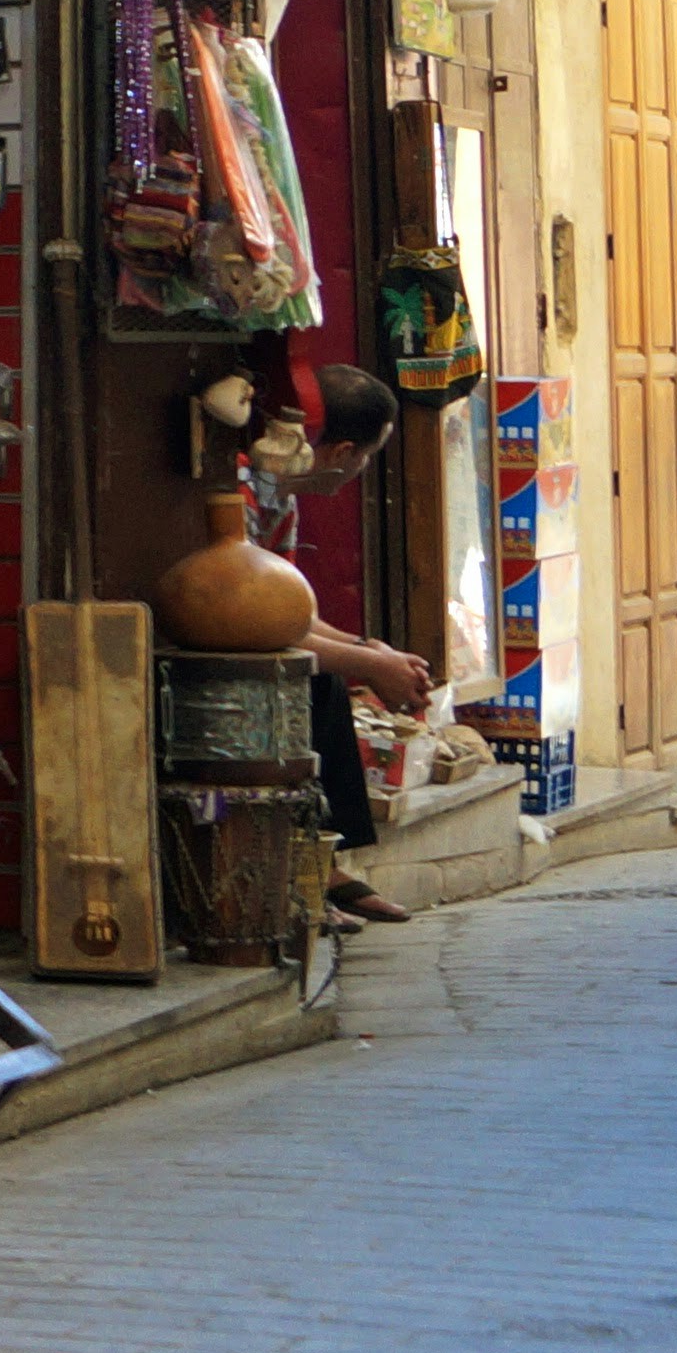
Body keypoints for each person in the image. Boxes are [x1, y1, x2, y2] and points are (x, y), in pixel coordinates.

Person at [257, 362, 425, 929]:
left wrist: (368, 650)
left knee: (325, 680)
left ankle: (324, 861)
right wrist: (368, 662)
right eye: (368, 457)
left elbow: (292, 611)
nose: (363, 469)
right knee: (318, 683)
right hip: (214, 648)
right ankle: (309, 873)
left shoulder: (281, 496)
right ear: (344, 451)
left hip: (260, 634)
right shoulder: (249, 487)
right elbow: (264, 624)